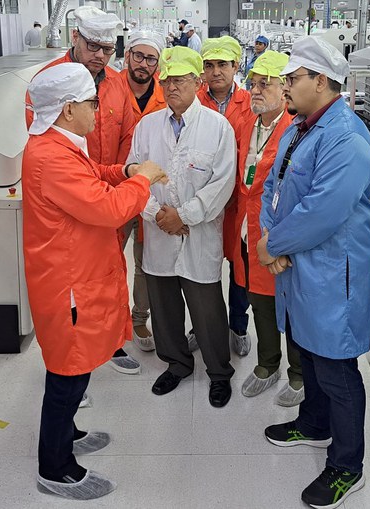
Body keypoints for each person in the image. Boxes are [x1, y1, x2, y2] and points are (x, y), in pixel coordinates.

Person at [23, 63, 166, 500]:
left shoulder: (58, 144)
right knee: (68, 373)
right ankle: (55, 468)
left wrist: (123, 171)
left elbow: (91, 177)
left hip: (76, 275)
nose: (97, 110)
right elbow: (108, 210)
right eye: (91, 103)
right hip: (69, 285)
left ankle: (66, 434)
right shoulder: (51, 157)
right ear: (68, 109)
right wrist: (143, 179)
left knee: (77, 366)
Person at [258, 36, 370, 509]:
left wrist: (273, 245)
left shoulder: (346, 139)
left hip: (333, 272)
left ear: (322, 81)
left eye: (293, 78)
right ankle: (314, 423)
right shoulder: (301, 127)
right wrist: (270, 238)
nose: (285, 85)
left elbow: (323, 211)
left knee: (335, 366)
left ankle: (348, 467)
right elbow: (274, 184)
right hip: (298, 264)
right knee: (307, 350)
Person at [24, 5, 141, 377]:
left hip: (106, 194)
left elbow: (127, 134)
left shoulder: (117, 83)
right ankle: (75, 366)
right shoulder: (51, 83)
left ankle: (106, 346)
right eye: (93, 47)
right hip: (78, 206)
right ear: (75, 37)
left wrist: (120, 179)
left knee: (106, 281)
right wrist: (127, 190)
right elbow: (50, 141)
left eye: (108, 49)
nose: (100, 56)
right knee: (78, 297)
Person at [126, 46, 237, 408]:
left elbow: (222, 183)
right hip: (158, 231)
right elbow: (135, 173)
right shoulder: (147, 126)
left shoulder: (217, 127)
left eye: (180, 80)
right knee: (164, 307)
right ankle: (177, 363)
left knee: (207, 308)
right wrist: (158, 215)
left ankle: (219, 372)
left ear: (197, 82)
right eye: (167, 81)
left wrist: (184, 216)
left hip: (198, 234)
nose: (171, 87)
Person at [234, 50, 304, 407]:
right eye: (253, 83)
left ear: (284, 89)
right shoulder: (247, 123)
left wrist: (279, 238)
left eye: (266, 84)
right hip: (248, 230)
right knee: (258, 301)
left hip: (279, 232)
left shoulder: (296, 129)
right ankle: (267, 364)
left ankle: (298, 373)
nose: (257, 90)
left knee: (290, 306)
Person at [198, 35, 254, 357]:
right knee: (201, 268)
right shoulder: (194, 100)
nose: (216, 71)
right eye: (209, 65)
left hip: (237, 204)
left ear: (236, 66)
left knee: (239, 268)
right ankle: (202, 327)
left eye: (223, 64)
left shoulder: (250, 102)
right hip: (201, 199)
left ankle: (238, 325)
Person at [119, 30, 167, 352]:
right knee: (107, 260)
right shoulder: (109, 89)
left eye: (151, 59)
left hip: (151, 190)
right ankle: (111, 320)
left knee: (144, 261)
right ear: (127, 56)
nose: (144, 64)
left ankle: (139, 318)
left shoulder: (166, 93)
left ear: (157, 64)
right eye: (138, 56)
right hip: (113, 189)